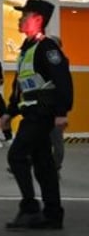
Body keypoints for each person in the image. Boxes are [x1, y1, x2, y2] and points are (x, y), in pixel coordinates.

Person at [2, 0, 71, 230]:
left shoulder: (47, 47)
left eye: (25, 15)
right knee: (43, 165)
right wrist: (9, 112)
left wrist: (61, 112)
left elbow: (62, 80)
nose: (20, 20)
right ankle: (52, 215)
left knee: (17, 156)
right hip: (30, 111)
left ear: (38, 20)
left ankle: (30, 208)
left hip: (42, 113)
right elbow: (21, 86)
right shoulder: (27, 49)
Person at [47, 35, 66, 176]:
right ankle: (22, 163)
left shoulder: (61, 64)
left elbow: (64, 90)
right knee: (35, 139)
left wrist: (61, 114)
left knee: (57, 142)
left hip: (55, 110)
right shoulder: (40, 62)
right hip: (40, 108)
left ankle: (55, 167)